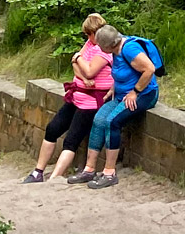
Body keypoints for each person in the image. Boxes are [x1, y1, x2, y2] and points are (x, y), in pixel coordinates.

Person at [24, 15, 116, 183]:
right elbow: (75, 65)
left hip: (91, 102)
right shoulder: (89, 44)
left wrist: (79, 60)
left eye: (90, 34)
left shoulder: (103, 50)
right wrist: (83, 74)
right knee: (53, 128)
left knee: (71, 140)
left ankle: (54, 178)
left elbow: (88, 69)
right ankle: (38, 171)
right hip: (76, 96)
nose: (88, 38)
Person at [75, 27, 159, 190]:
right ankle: (89, 169)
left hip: (144, 94)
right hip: (121, 94)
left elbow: (149, 69)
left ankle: (109, 173)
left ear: (108, 45)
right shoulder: (115, 49)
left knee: (112, 121)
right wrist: (115, 87)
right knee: (99, 119)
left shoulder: (129, 49)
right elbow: (124, 71)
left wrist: (135, 92)